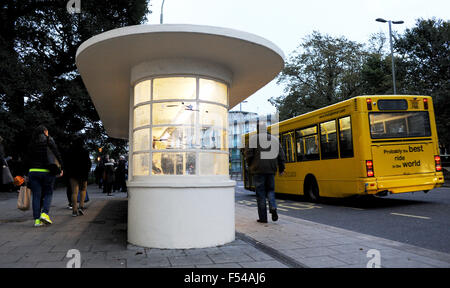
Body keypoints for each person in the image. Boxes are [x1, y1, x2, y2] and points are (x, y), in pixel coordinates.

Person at [245, 122, 285, 224]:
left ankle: (263, 218)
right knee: (270, 190)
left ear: (258, 129)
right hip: (271, 169)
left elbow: (248, 155)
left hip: (258, 170)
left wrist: (250, 165)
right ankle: (273, 206)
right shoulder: (274, 139)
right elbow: (281, 154)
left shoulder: (253, 139)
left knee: (261, 194)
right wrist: (281, 168)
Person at [26, 125, 63, 227]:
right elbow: (57, 154)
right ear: (45, 132)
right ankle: (44, 214)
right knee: (48, 193)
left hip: (33, 171)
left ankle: (37, 221)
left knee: (36, 196)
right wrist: (61, 168)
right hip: (47, 171)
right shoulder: (49, 141)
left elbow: (27, 158)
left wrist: (26, 172)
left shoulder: (32, 143)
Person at [65, 137, 91, 217]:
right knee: (83, 190)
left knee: (74, 192)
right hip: (83, 173)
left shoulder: (70, 151)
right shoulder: (85, 151)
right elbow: (88, 163)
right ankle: (81, 207)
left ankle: (74, 211)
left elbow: (67, 163)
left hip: (73, 174)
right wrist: (87, 170)